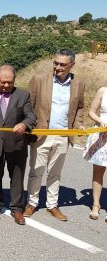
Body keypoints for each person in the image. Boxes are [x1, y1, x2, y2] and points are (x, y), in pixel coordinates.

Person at [24, 49, 85, 221]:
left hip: (63, 135)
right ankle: (32, 203)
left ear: (72, 65)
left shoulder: (78, 83)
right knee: (36, 171)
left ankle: (52, 205)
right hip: (41, 134)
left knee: (55, 173)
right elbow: (29, 105)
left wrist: (78, 124)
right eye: (56, 63)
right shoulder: (39, 80)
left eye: (62, 64)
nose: (58, 67)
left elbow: (79, 108)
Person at [0, 65, 36, 225]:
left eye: (9, 82)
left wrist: (25, 124)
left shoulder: (23, 95)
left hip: (17, 145)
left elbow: (31, 116)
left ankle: (17, 208)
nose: (6, 85)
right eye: (3, 82)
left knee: (17, 177)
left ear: (14, 80)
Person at [83, 87, 107, 221]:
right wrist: (100, 121)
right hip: (101, 136)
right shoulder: (103, 91)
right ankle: (95, 205)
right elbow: (91, 112)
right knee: (98, 172)